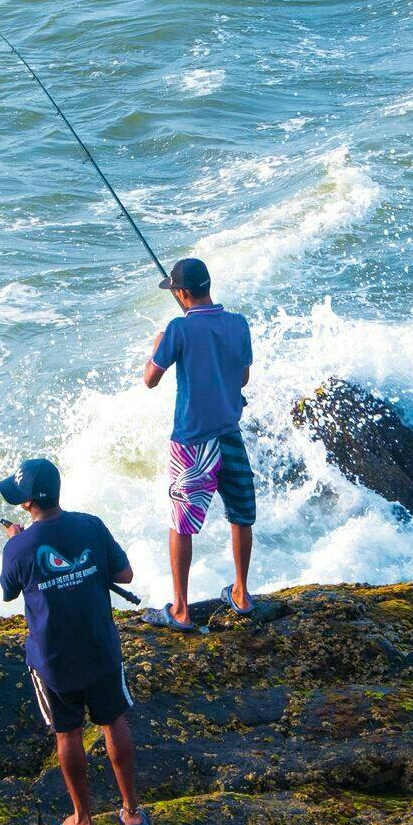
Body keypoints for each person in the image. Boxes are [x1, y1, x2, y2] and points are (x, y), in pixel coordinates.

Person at [0, 457, 153, 825]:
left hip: (54, 661)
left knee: (67, 733)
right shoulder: (90, 525)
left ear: (28, 503)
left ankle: (83, 820)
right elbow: (125, 575)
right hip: (100, 648)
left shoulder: (19, 547)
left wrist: (16, 540)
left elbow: (7, 592)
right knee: (113, 720)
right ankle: (132, 813)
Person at [142, 256, 257, 631]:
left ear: (183, 293)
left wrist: (157, 345)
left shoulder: (177, 329)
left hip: (193, 444)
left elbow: (150, 380)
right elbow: (242, 378)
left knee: (183, 523)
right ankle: (241, 593)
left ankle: (181, 610)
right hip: (230, 435)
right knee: (240, 514)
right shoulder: (238, 325)